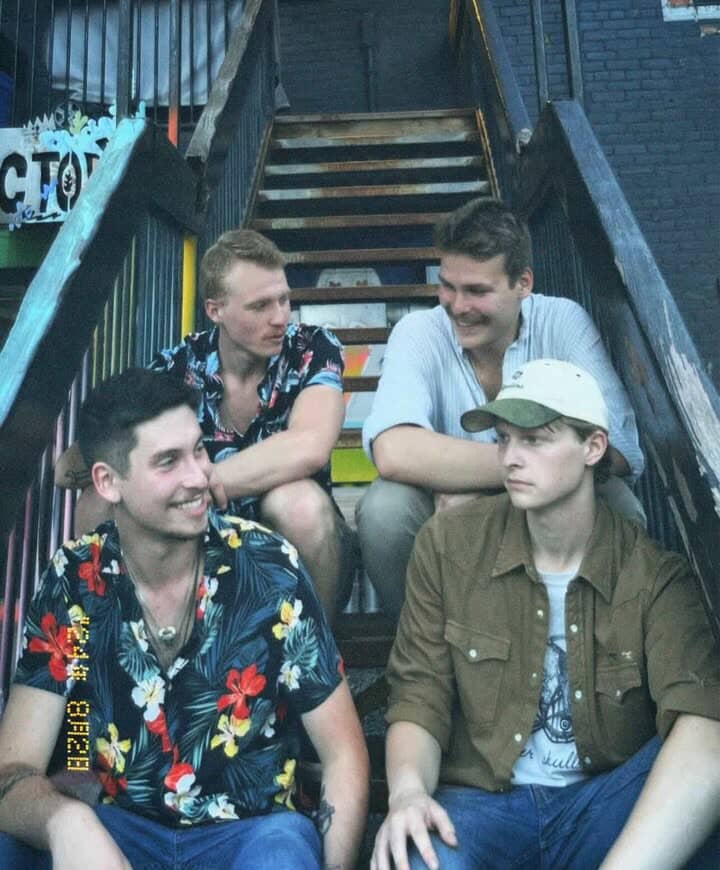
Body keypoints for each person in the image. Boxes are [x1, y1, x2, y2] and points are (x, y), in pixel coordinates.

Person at [1, 368, 368, 870]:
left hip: (252, 831)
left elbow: (343, 753)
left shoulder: (267, 569)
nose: (199, 477)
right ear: (108, 481)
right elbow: (13, 769)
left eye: (198, 450)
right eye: (168, 462)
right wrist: (66, 821)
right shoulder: (76, 580)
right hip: (123, 826)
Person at [371, 359, 719, 870]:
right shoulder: (448, 546)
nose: (510, 458)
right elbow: (418, 697)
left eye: (534, 440)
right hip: (481, 805)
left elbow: (704, 726)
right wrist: (405, 794)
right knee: (411, 855)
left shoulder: (652, 574)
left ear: (593, 447)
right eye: (503, 439)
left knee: (699, 801)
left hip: (601, 805)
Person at [357, 198, 645, 619]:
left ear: (522, 284)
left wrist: (481, 494)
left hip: (543, 503)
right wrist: (527, 468)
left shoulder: (562, 322)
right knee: (385, 510)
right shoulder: (419, 330)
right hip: (453, 514)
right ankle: (421, 653)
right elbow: (393, 451)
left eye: (477, 291)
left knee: (618, 506)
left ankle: (591, 652)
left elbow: (616, 451)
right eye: (447, 286)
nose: (456, 306)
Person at [56, 229, 356, 624]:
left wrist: (204, 480)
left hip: (306, 542)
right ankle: (103, 645)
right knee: (100, 502)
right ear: (215, 310)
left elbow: (310, 444)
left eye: (284, 299)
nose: (280, 317)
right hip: (199, 540)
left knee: (298, 503)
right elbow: (67, 472)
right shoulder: (179, 367)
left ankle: (317, 658)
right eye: (260, 306)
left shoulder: (312, 347)